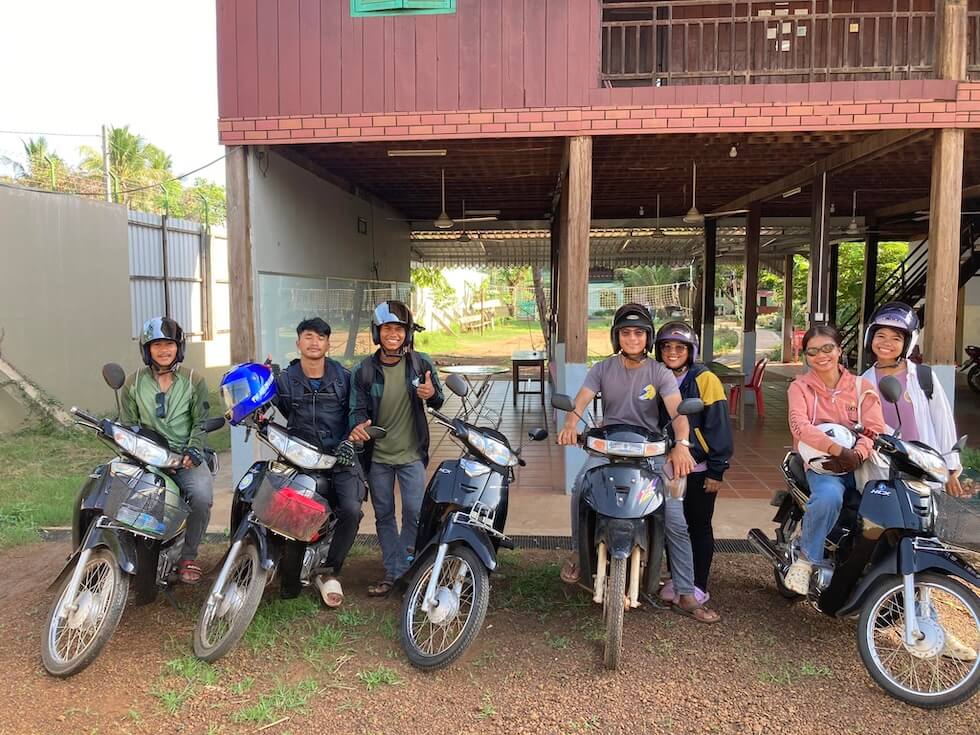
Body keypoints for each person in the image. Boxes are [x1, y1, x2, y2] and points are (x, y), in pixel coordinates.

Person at [557, 304, 721, 624]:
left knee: (673, 511)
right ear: (617, 337)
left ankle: (686, 591)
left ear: (647, 338)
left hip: (649, 449)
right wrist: (569, 424)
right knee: (580, 489)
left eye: (639, 333)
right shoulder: (602, 368)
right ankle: (579, 553)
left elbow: (677, 412)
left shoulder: (658, 372)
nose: (632, 338)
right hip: (608, 445)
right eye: (626, 332)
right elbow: (581, 401)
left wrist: (682, 446)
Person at [349, 300, 444, 597]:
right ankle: (393, 571)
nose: (394, 334)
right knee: (385, 513)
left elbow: (438, 400)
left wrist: (431, 393)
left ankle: (409, 567)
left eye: (399, 329)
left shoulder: (421, 363)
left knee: (415, 512)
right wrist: (358, 428)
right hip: (377, 457)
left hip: (411, 453)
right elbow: (355, 410)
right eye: (387, 328)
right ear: (377, 333)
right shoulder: (364, 371)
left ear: (407, 333)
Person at [785, 324, 886, 594]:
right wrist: (838, 451)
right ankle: (806, 562)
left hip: (862, 465)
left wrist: (858, 454)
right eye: (813, 351)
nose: (821, 356)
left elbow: (875, 430)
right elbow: (800, 427)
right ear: (806, 355)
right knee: (829, 498)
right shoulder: (800, 387)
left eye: (827, 348)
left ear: (839, 350)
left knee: (888, 505)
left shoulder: (862, 387)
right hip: (823, 466)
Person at [270, 317, 364, 607]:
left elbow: (357, 413)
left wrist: (353, 439)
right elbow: (275, 407)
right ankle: (281, 568)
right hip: (302, 458)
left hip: (340, 457)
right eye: (308, 336)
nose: (314, 342)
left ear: (327, 344)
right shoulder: (285, 379)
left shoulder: (344, 378)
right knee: (290, 509)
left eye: (320, 338)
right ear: (298, 342)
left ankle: (330, 568)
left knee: (351, 510)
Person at [121, 317, 214, 585]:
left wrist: (194, 451)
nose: (164, 350)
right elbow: (129, 425)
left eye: (169, 344)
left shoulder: (194, 380)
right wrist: (136, 451)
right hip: (146, 455)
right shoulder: (132, 382)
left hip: (184, 457)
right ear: (146, 349)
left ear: (179, 347)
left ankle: (188, 556)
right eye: (157, 344)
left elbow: (200, 422)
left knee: (201, 497)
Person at [654, 321, 733, 603]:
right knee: (670, 525)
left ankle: (698, 584)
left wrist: (717, 469)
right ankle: (678, 577)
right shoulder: (655, 375)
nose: (672, 352)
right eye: (666, 346)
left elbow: (719, 425)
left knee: (697, 525)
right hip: (663, 466)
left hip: (697, 468)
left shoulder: (705, 379)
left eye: (680, 347)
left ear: (691, 350)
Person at [861, 302, 966, 497]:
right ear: (870, 338)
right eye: (880, 336)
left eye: (896, 338)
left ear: (907, 343)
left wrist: (950, 470)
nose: (886, 343)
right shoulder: (862, 382)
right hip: (882, 471)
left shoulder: (923, 377)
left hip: (923, 468)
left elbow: (943, 423)